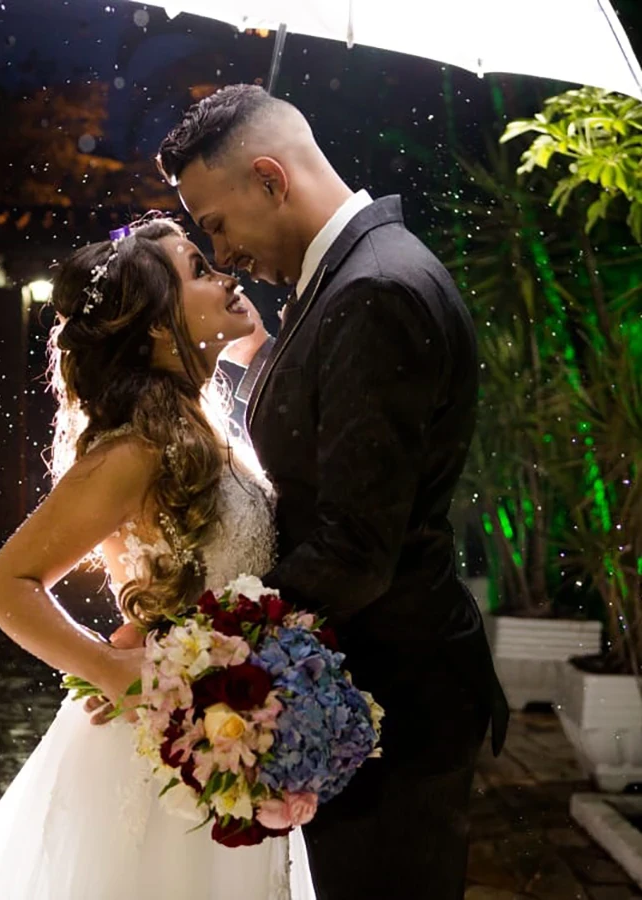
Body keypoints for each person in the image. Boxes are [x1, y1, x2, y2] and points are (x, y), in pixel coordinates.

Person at [153, 84, 510, 900]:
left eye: (217, 225)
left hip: (395, 699)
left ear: (270, 179)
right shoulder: (347, 280)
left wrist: (206, 645)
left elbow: (355, 548)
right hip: (369, 689)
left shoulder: (374, 292)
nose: (222, 253)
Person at [0, 216, 316, 900]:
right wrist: (108, 668)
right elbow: (5, 585)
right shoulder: (134, 452)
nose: (226, 275)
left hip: (228, 738)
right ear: (159, 329)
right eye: (199, 269)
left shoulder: (203, 425)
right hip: (159, 759)